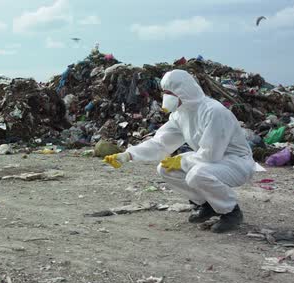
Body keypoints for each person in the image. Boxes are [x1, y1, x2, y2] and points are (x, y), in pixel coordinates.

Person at [104, 69, 260, 233]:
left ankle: (231, 212)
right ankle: (206, 205)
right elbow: (161, 142)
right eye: (164, 92)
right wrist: (128, 155)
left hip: (236, 163)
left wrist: (183, 160)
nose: (166, 97)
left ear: (184, 90)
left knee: (197, 174)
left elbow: (211, 153)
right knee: (165, 168)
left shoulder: (214, 111)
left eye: (170, 92)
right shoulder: (180, 114)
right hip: (208, 160)